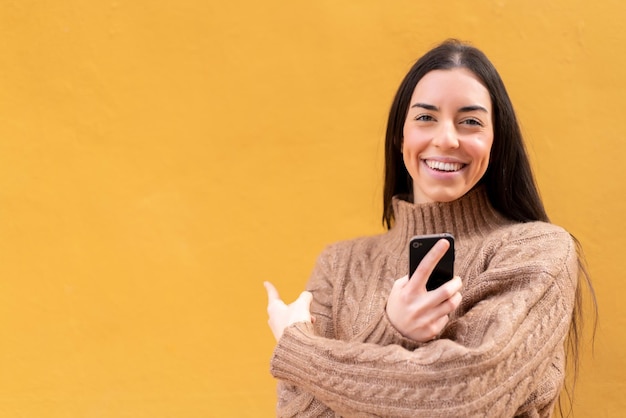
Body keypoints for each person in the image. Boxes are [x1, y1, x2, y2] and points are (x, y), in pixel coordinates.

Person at [263, 39, 594, 417]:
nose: (446, 139)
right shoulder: (339, 264)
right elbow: (301, 412)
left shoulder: (539, 250)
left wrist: (299, 350)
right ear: (399, 136)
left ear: (496, 141)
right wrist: (392, 329)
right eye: (425, 117)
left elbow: (467, 395)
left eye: (470, 121)